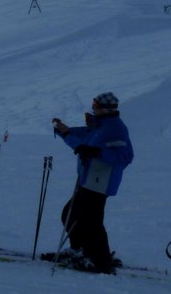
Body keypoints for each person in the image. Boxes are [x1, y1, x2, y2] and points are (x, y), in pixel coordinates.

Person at [49, 92, 134, 274]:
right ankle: (80, 251)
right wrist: (66, 132)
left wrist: (97, 153)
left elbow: (124, 156)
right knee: (70, 215)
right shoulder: (100, 125)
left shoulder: (115, 129)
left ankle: (100, 262)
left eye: (95, 105)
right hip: (88, 179)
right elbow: (85, 140)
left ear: (104, 108)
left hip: (100, 182)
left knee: (92, 222)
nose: (92, 108)